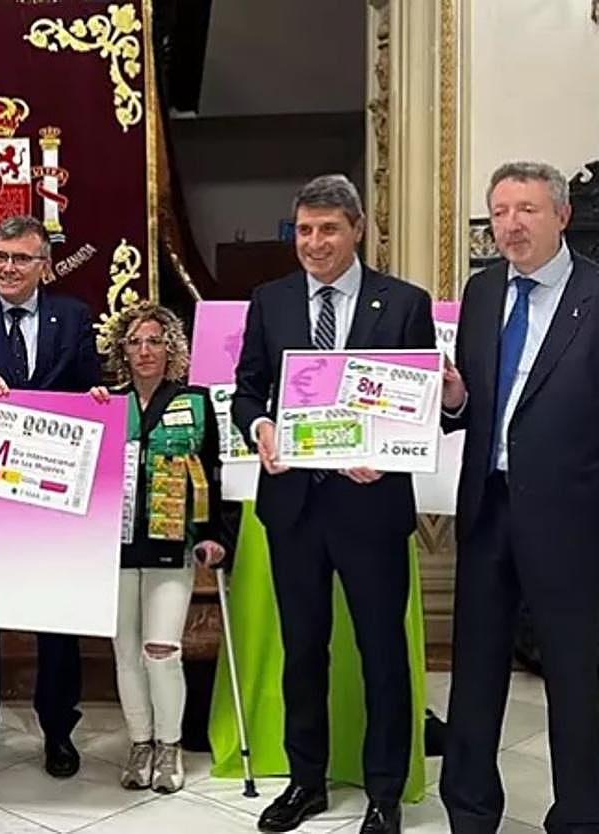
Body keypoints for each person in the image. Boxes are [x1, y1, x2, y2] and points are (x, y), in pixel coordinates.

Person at [231, 175, 434, 834]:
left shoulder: (403, 304)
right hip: (293, 508)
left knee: (381, 654)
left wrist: (391, 448)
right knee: (302, 651)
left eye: (328, 230)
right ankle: (306, 781)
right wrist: (259, 428)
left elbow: (418, 404)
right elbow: (247, 391)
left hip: (370, 509)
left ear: (357, 230)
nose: (314, 243)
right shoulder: (270, 300)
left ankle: (383, 791)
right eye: (304, 231)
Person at [440, 161, 599, 834]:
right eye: (501, 210)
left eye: (527, 209)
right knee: (475, 674)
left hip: (572, 516)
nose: (511, 224)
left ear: (561, 216)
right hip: (487, 507)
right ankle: (471, 811)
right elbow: (477, 403)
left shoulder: (594, 293)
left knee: (577, 676)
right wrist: (456, 399)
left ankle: (583, 815)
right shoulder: (480, 294)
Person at [0, 214, 101, 778]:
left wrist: (99, 395)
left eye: (19, 259)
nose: (6, 268)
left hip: (52, 494)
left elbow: (88, 388)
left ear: (43, 265)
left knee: (56, 618)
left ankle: (58, 731)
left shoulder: (74, 316)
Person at [90, 302, 228, 794]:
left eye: (154, 341)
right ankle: (141, 742)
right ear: (121, 351)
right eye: (135, 342)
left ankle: (170, 746)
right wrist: (91, 411)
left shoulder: (195, 401)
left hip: (173, 543)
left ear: (171, 348)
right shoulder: (108, 403)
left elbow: (211, 471)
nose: (144, 350)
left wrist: (214, 533)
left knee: (161, 650)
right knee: (125, 650)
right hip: (118, 545)